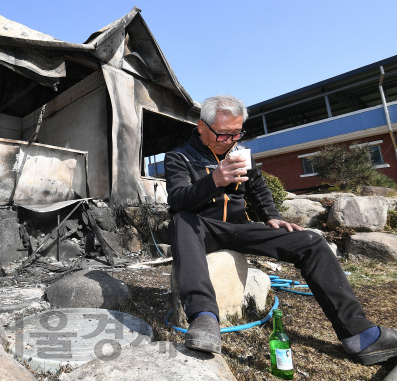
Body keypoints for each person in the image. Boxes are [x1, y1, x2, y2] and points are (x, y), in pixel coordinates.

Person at [165, 95, 397, 365]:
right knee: (181, 218)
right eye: (223, 134)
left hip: (239, 229)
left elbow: (259, 190)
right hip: (201, 229)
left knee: (312, 242)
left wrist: (272, 217)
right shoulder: (179, 157)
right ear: (202, 127)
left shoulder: (240, 154)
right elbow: (179, 198)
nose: (231, 140)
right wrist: (214, 179)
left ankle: (359, 335)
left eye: (237, 133)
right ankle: (204, 317)